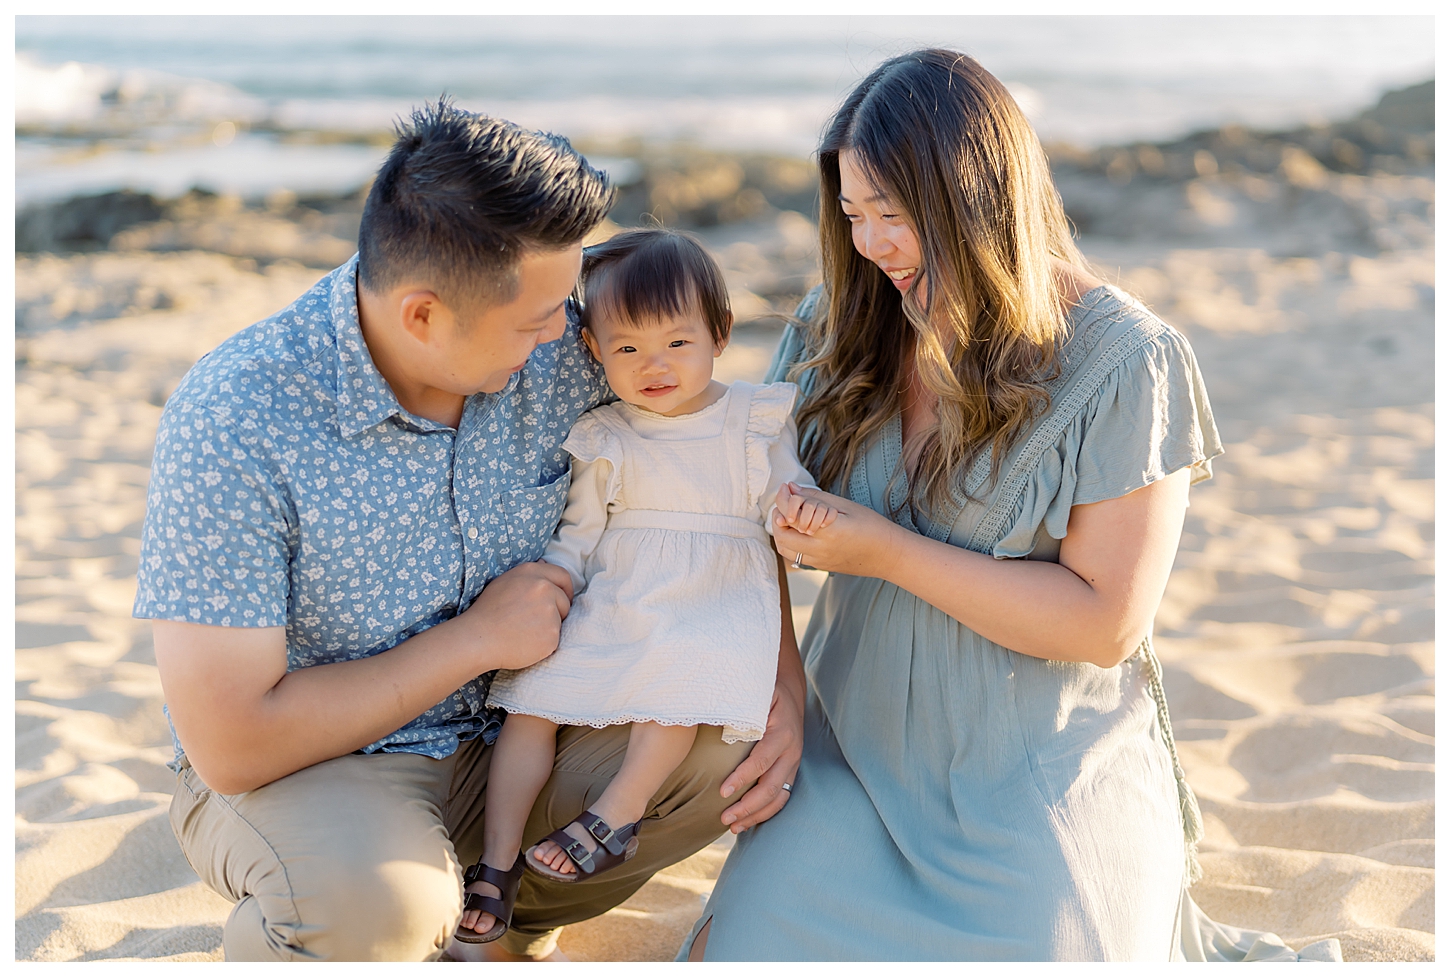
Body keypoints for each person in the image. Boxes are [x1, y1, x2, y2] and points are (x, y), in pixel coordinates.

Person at [682, 49, 1327, 962]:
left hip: (1038, 769)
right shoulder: (840, 320)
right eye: (853, 214)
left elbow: (1106, 621)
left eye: (894, 216)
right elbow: (747, 532)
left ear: (976, 201)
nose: (869, 245)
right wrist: (784, 697)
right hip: (846, 756)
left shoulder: (1125, 360)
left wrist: (889, 552)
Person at [134, 101, 805, 962]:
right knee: (374, 910)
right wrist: (477, 638)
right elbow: (232, 743)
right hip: (323, 762)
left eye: (567, 308)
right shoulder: (239, 416)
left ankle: (502, 927)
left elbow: (717, 474)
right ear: (422, 315)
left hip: (521, 730)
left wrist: (781, 681)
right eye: (537, 321)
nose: (564, 336)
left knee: (730, 739)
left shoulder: (566, 332)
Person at [455, 229, 835, 943]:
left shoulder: (751, 419)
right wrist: (557, 585)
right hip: (620, 597)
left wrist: (800, 511)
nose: (652, 365)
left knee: (677, 680)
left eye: (676, 343)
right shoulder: (607, 433)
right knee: (530, 702)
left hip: (709, 599)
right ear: (595, 351)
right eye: (626, 348)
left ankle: (617, 813)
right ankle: (498, 863)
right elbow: (578, 532)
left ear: (718, 335)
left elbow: (786, 494)